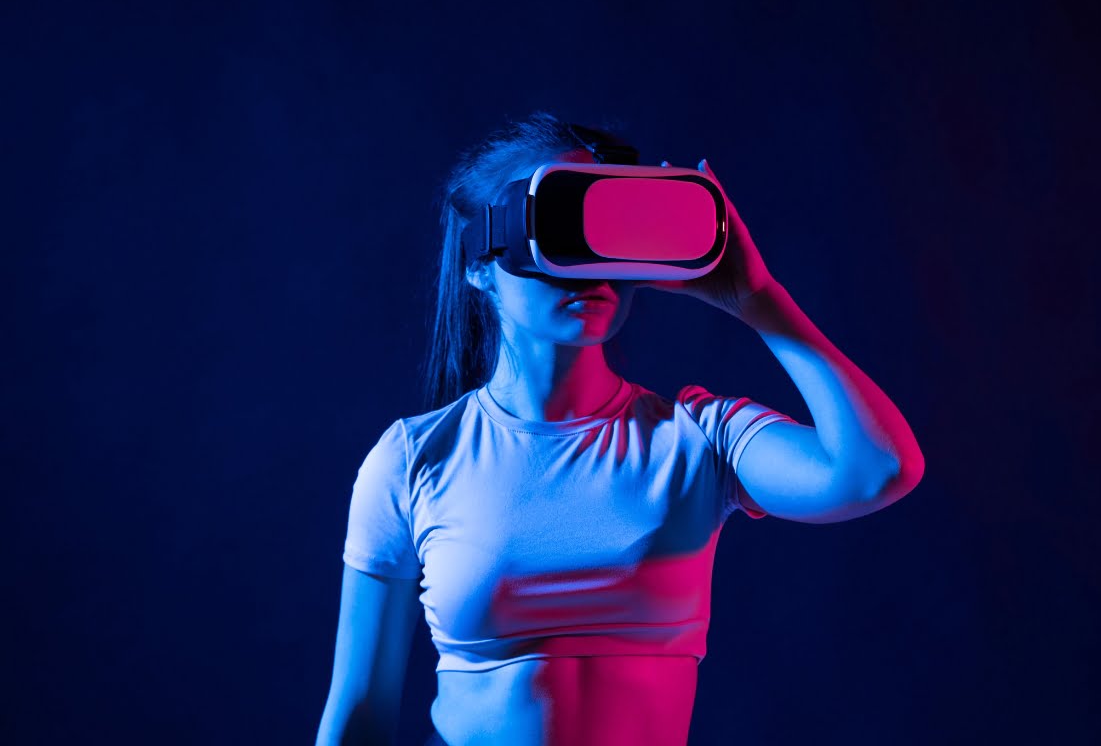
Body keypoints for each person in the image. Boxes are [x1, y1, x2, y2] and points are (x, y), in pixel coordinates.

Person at [315, 112, 925, 745]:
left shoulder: (699, 440)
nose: (590, 268)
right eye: (559, 229)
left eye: (610, 231)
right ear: (479, 264)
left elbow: (878, 470)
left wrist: (758, 299)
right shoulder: (414, 460)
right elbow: (358, 713)